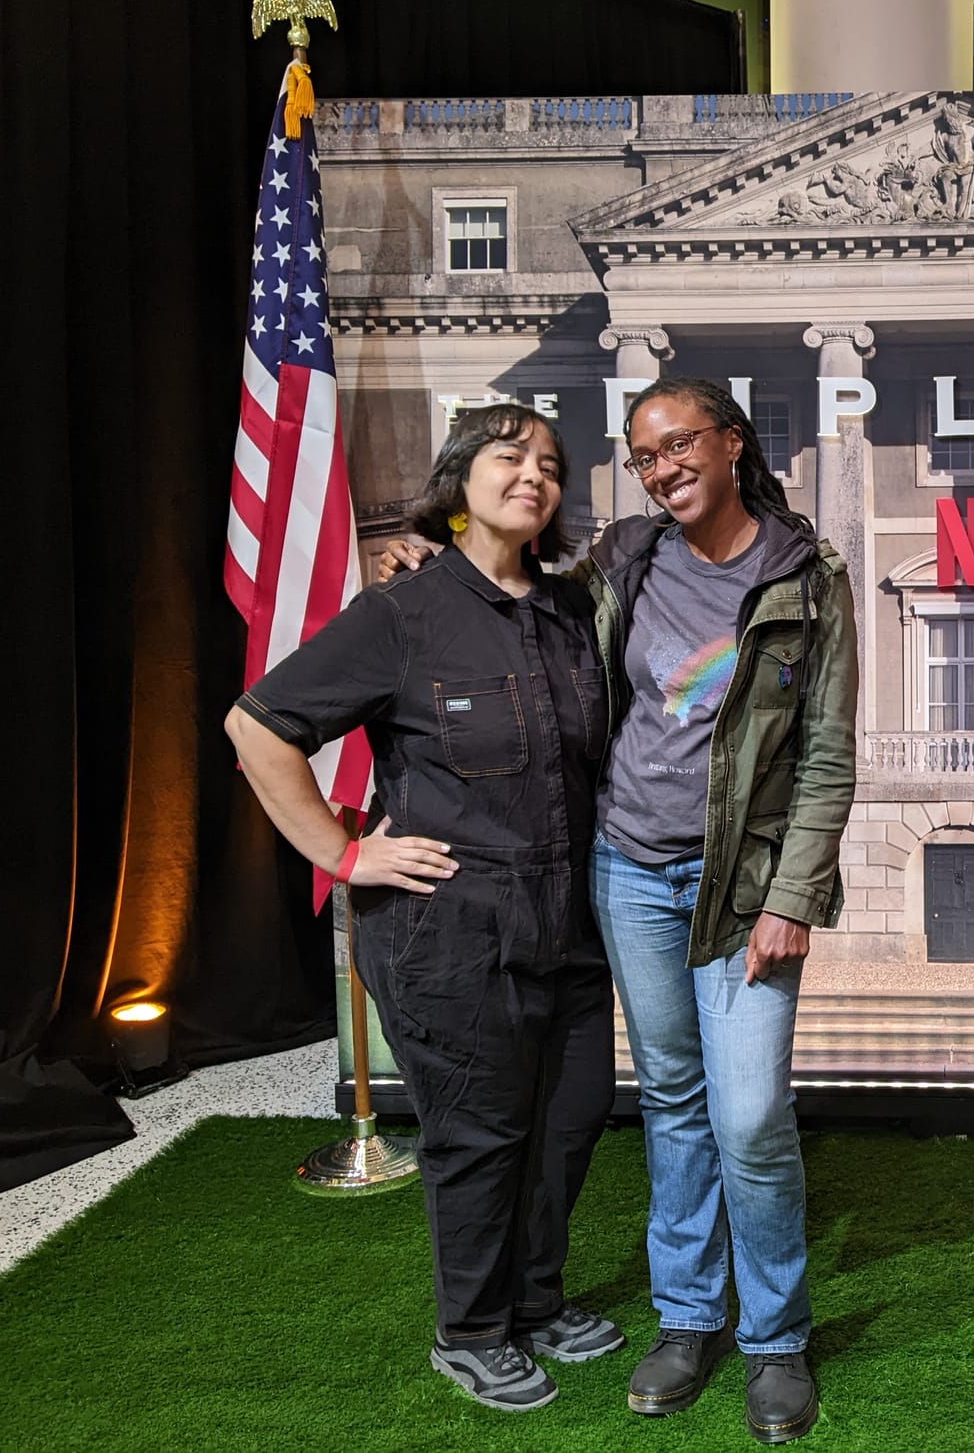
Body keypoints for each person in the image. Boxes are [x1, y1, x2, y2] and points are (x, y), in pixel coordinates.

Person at [383, 377, 857, 1445]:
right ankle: (689, 1321)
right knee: (675, 1107)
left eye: (680, 445)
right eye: (644, 456)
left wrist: (792, 895)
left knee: (750, 1119)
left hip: (744, 887)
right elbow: (510, 592)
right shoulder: (625, 561)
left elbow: (825, 756)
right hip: (630, 873)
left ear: (731, 443)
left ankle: (774, 1340)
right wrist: (430, 557)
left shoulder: (807, 579)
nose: (662, 468)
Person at [228, 403, 624, 1414]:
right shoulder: (402, 613)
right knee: (479, 1138)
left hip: (565, 925)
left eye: (548, 463)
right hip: (450, 936)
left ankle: (534, 1302)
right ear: (459, 480)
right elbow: (258, 726)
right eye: (507, 458)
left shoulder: (569, 611)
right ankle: (471, 1330)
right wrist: (341, 851)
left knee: (565, 1123)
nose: (531, 475)